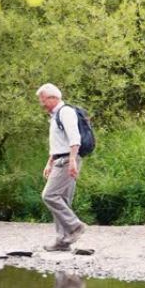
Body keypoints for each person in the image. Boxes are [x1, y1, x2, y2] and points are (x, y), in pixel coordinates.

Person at [36, 83, 87, 252]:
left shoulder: (66, 112)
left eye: (42, 100)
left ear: (52, 98)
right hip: (60, 159)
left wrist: (72, 161)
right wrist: (49, 162)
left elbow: (74, 138)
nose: (41, 104)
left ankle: (75, 226)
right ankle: (63, 241)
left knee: (49, 195)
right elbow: (59, 142)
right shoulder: (55, 115)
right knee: (62, 200)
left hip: (67, 160)